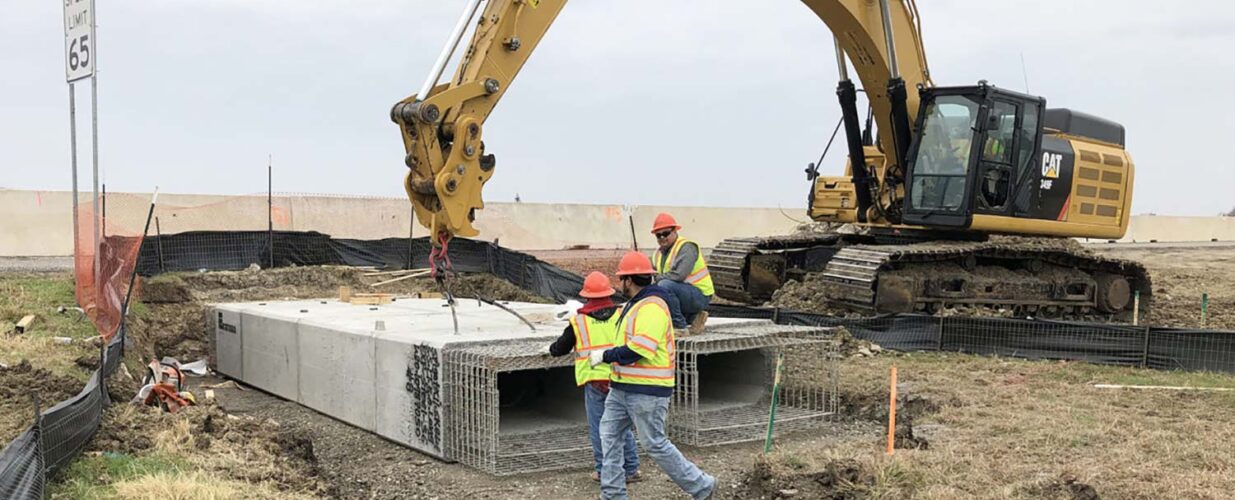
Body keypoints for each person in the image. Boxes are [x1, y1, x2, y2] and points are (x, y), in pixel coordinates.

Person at [589, 251, 716, 500]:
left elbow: (640, 349)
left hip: (647, 390)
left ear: (629, 280)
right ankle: (613, 494)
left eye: (621, 279)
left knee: (654, 443)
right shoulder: (636, 305)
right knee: (609, 435)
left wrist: (605, 356)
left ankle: (702, 486)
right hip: (622, 387)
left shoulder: (652, 307)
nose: (619, 284)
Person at [543, 272, 642, 483]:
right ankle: (632, 468)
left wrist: (549, 349)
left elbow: (560, 348)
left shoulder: (578, 322)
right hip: (621, 378)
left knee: (600, 428)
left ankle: (603, 470)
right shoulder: (621, 315)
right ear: (609, 293)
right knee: (622, 425)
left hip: (596, 382)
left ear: (586, 296)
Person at [649, 212, 713, 335]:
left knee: (664, 286)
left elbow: (679, 275)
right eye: (658, 235)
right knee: (655, 290)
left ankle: (680, 327)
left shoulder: (687, 247)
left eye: (666, 233)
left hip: (700, 294)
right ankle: (694, 318)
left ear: (675, 231)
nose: (662, 237)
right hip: (682, 294)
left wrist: (657, 279)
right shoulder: (657, 254)